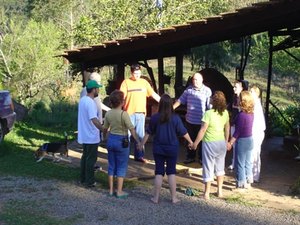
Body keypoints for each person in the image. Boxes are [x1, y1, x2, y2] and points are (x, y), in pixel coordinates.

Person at [141, 94, 193, 204]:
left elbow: (148, 133)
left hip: (158, 148)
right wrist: (191, 142)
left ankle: (156, 198)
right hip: (172, 148)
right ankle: (174, 198)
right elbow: (184, 132)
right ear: (171, 105)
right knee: (171, 172)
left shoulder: (155, 117)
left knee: (159, 172)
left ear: (160, 105)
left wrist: (141, 144)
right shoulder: (175, 118)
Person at [103, 90, 141, 198]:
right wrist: (138, 141)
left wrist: (104, 137)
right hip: (122, 142)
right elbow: (132, 129)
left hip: (111, 140)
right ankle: (119, 191)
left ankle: (110, 190)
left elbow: (105, 128)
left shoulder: (108, 113)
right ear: (122, 102)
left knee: (111, 165)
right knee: (121, 166)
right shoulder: (124, 114)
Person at [191, 91, 230, 200]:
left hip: (209, 143)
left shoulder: (208, 114)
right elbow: (227, 128)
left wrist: (195, 144)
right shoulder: (225, 113)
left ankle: (207, 193)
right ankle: (220, 191)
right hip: (221, 142)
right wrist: (226, 141)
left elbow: (203, 130)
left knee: (208, 167)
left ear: (214, 101)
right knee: (220, 167)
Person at [120, 63, 160, 163]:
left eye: (139, 73)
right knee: (127, 135)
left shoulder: (144, 83)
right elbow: (121, 97)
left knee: (141, 136)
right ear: (131, 73)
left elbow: (153, 94)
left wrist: (164, 102)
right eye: (135, 73)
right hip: (129, 113)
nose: (137, 75)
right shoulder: (126, 82)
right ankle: (124, 155)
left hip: (141, 114)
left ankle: (139, 156)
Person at [173, 72, 211, 164]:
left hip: (202, 121)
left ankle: (201, 158)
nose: (195, 81)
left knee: (202, 141)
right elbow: (180, 100)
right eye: (194, 79)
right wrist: (171, 108)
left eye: (197, 79)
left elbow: (209, 106)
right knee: (190, 139)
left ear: (202, 80)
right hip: (190, 120)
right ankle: (190, 157)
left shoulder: (207, 91)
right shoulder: (188, 90)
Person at [78, 80, 104, 187]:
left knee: (85, 157)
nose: (98, 90)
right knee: (91, 159)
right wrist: (103, 129)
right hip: (91, 135)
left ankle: (83, 178)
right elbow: (94, 119)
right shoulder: (91, 102)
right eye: (97, 88)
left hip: (84, 134)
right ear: (93, 90)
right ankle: (90, 181)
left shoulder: (82, 100)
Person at [227, 90, 254, 190]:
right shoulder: (251, 113)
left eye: (239, 98)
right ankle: (248, 181)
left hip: (242, 141)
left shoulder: (242, 115)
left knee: (240, 163)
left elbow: (237, 132)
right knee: (247, 162)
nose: (237, 99)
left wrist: (230, 142)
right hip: (250, 140)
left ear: (243, 101)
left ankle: (241, 184)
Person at [228, 79, 249, 170]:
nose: (233, 88)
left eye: (235, 87)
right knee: (234, 145)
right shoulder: (233, 97)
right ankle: (234, 162)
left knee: (241, 146)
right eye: (234, 86)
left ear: (242, 88)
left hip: (241, 126)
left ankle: (241, 164)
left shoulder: (245, 100)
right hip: (233, 124)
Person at [250, 86, 266, 182]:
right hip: (255, 131)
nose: (249, 92)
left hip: (256, 132)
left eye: (251, 91)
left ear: (256, 93)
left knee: (254, 153)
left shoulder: (256, 104)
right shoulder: (255, 104)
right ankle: (254, 175)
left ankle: (254, 176)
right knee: (254, 153)